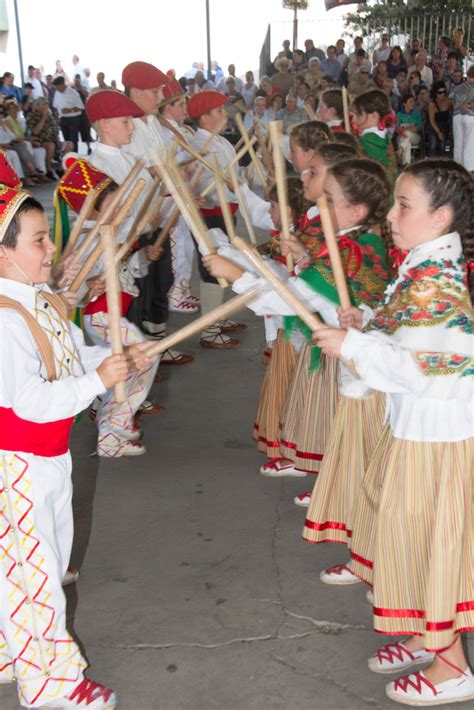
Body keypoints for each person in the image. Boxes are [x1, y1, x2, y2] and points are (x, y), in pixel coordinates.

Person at [317, 158, 473, 706]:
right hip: (417, 427)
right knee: (407, 531)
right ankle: (430, 636)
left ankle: (451, 664)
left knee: (431, 538)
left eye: (406, 206)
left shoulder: (438, 283)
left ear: (442, 217)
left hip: (438, 434)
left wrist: (353, 347)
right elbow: (403, 336)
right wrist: (364, 326)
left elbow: (422, 369)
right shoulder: (422, 269)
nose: (393, 217)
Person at [0, 168, 152, 707]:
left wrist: (112, 361)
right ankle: (51, 687)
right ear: (3, 252)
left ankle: (14, 649)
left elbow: (64, 363)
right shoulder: (3, 320)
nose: (50, 250)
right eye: (39, 240)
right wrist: (96, 381)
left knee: (41, 562)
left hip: (46, 457)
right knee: (36, 576)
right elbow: (31, 401)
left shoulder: (36, 300)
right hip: (14, 466)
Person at [120, 61, 193, 364]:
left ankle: (156, 347)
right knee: (140, 289)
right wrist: (172, 174)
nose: (159, 95)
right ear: (135, 92)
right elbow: (141, 174)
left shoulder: (150, 124)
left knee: (160, 282)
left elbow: (161, 168)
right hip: (140, 221)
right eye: (153, 91)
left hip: (159, 214)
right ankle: (140, 357)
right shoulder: (131, 126)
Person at [186, 90, 246, 350]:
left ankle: (218, 318)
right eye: (220, 111)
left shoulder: (220, 141)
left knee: (225, 263)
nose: (225, 115)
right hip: (209, 212)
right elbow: (197, 183)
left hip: (226, 209)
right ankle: (209, 330)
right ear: (205, 117)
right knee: (212, 268)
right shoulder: (199, 146)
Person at [158, 79, 200, 313]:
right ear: (166, 108)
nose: (184, 110)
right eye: (178, 105)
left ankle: (183, 288)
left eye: (184, 104)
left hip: (184, 195)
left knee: (187, 246)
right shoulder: (163, 133)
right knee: (176, 246)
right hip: (170, 197)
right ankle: (174, 294)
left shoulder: (182, 130)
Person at [352, 89, 397, 184]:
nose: (354, 120)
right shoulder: (386, 139)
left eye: (358, 116)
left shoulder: (365, 142)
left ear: (373, 116)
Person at [52, 76, 84, 152]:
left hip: (73, 119)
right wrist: (56, 120)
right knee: (66, 140)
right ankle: (68, 157)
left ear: (63, 84)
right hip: (63, 119)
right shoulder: (57, 93)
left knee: (73, 140)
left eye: (58, 87)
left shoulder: (73, 93)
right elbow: (55, 107)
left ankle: (74, 156)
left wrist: (70, 110)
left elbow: (81, 107)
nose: (57, 89)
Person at [452, 64, 474, 171]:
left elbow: (452, 101)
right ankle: (468, 170)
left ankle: (457, 169)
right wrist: (469, 105)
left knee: (458, 145)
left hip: (456, 117)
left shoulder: (458, 87)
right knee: (469, 145)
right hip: (470, 116)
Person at [426, 80, 452, 156]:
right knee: (433, 144)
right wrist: (438, 132)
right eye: (440, 93)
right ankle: (431, 162)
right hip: (433, 127)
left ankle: (442, 162)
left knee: (443, 146)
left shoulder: (449, 102)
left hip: (444, 127)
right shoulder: (432, 104)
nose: (442, 94)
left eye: (444, 92)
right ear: (435, 93)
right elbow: (432, 120)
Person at [396, 93, 423, 165]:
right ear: (404, 104)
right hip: (401, 137)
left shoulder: (417, 113)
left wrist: (413, 129)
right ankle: (406, 164)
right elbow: (397, 130)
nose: (413, 103)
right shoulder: (399, 115)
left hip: (415, 137)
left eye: (413, 101)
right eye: (410, 101)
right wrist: (408, 128)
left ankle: (400, 150)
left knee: (407, 134)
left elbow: (419, 128)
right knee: (408, 141)